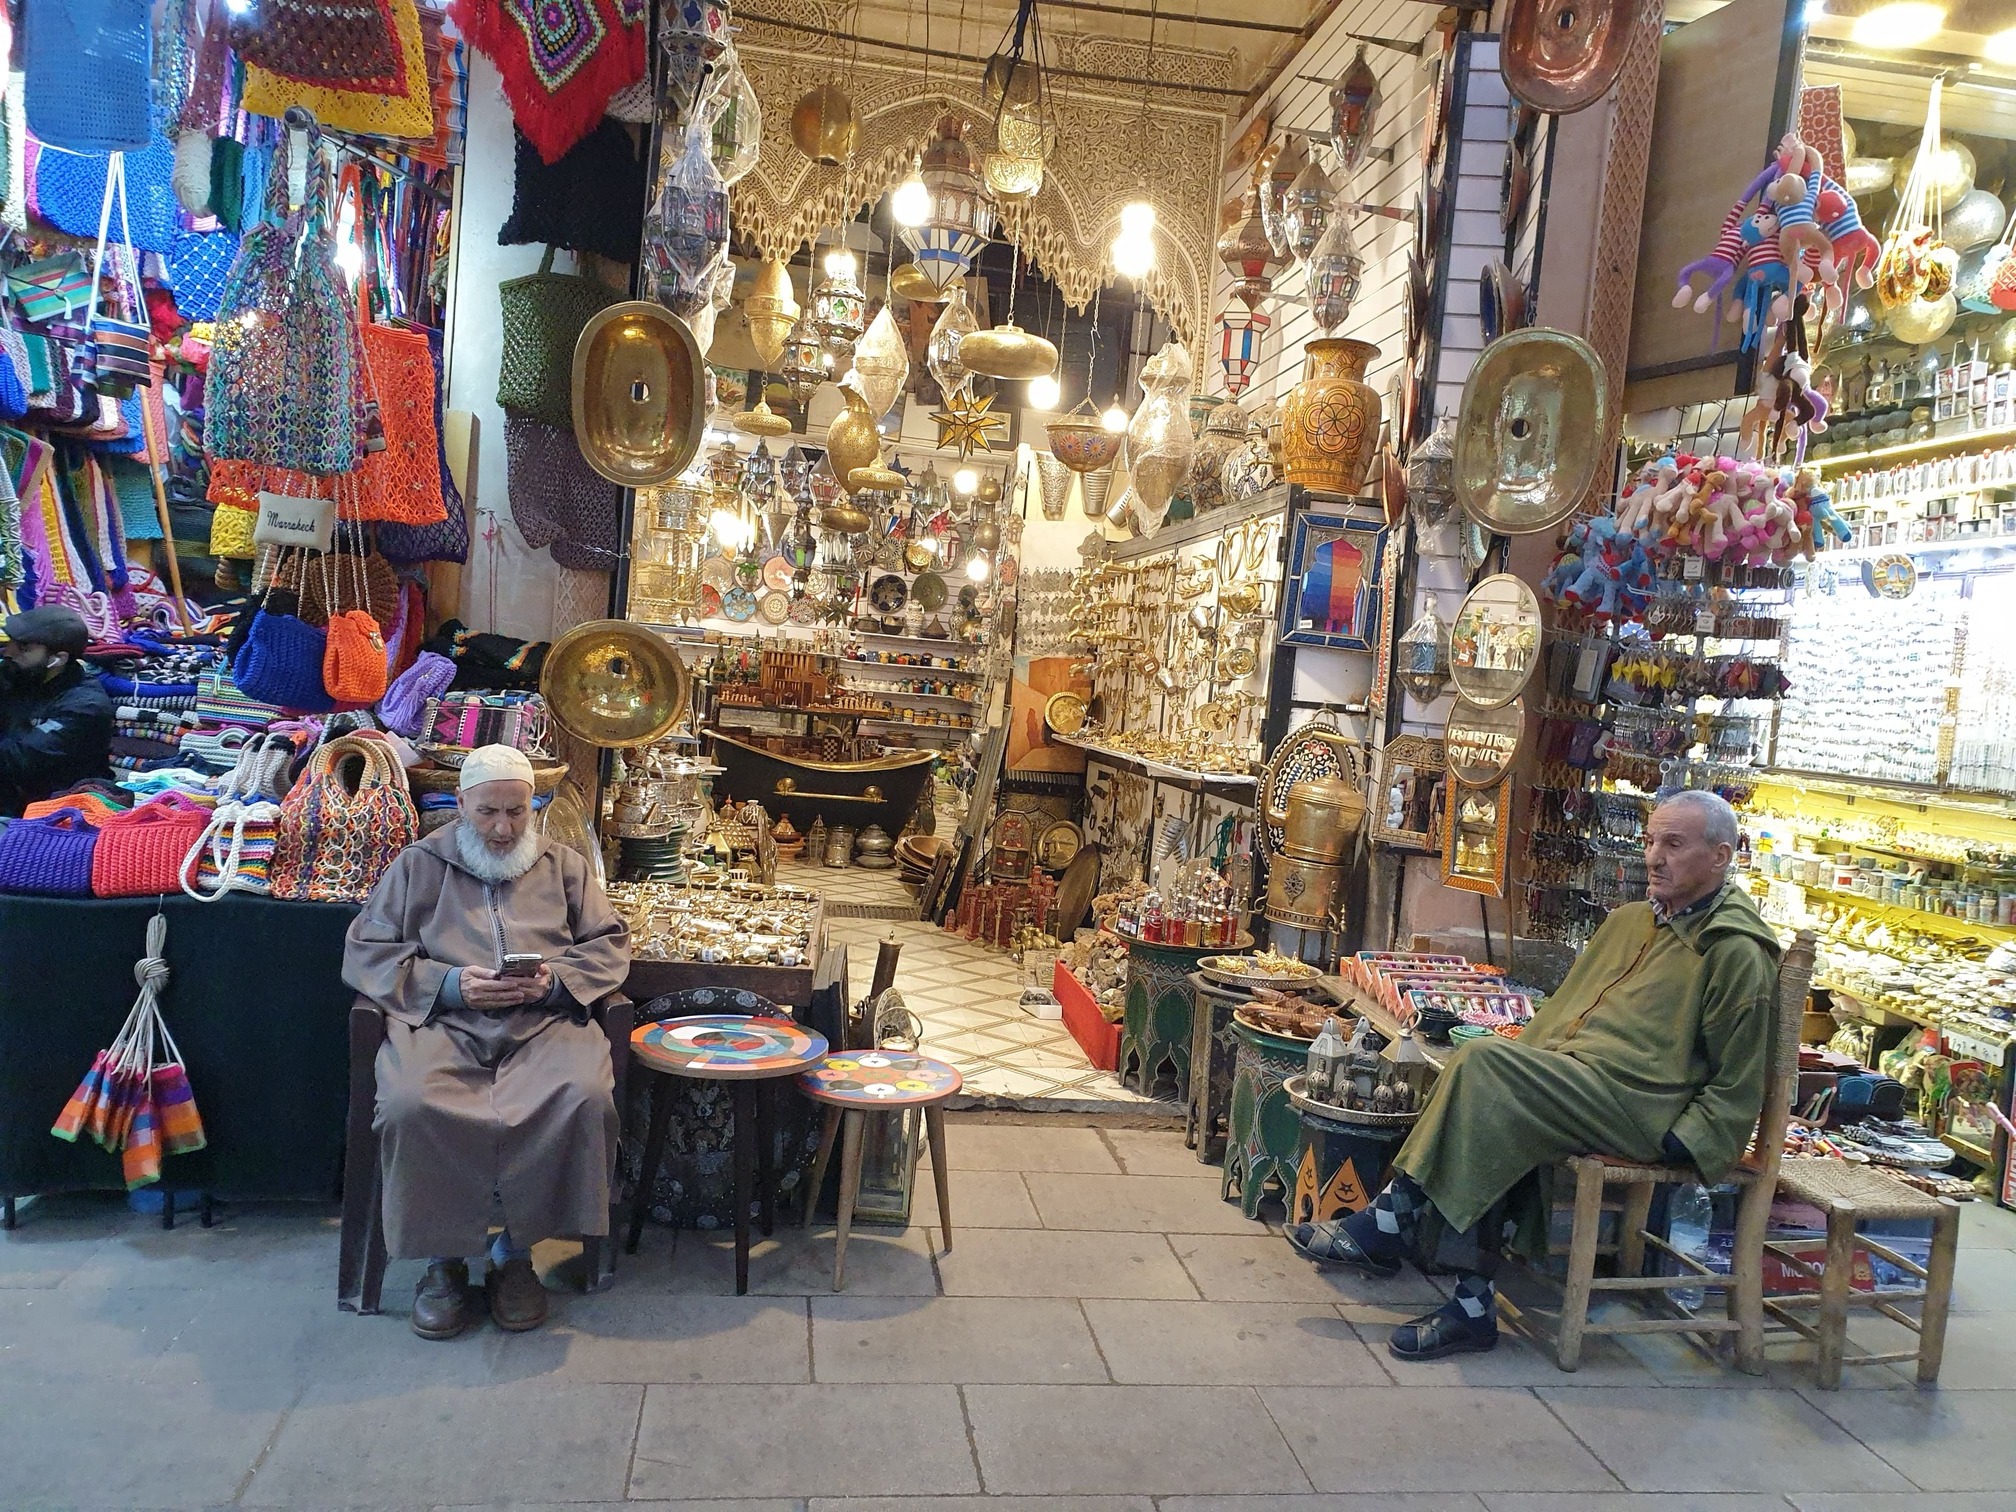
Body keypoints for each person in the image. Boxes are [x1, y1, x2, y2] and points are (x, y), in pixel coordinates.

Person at [1289, 790, 1781, 1362]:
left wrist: (1684, 1141)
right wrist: (1530, 1065)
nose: (1653, 857)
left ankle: (1394, 1219)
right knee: (1496, 1096)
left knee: (1486, 1067)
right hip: (1578, 1082)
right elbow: (1559, 1014)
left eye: (1673, 844)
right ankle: (1472, 1305)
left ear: (1721, 856)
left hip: (1644, 1107)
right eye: (1650, 841)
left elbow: (1739, 1079)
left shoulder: (1736, 951)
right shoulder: (1629, 922)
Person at [343, 744, 630, 1340]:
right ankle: (442, 1264)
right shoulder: (418, 865)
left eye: (517, 813)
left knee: (581, 1094)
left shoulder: (565, 866)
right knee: (412, 1103)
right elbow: (367, 950)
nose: (503, 829)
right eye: (488, 813)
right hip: (442, 1026)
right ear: (460, 806)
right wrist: (446, 985)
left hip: (543, 1026)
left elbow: (608, 943)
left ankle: (516, 1256)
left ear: (534, 808)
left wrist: (557, 983)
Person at [0, 606, 114, 818]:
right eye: (11, 642)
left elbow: (18, 757)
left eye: (23, 648)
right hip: (12, 795)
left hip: (60, 812)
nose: (9, 652)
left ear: (58, 658)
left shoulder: (86, 706)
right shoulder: (19, 674)